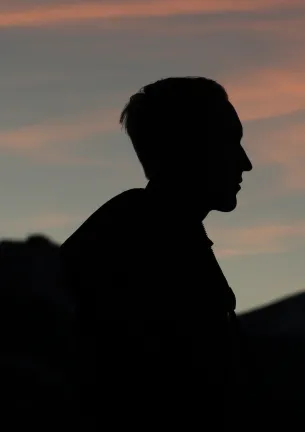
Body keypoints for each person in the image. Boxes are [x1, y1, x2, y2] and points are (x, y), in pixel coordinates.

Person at [59, 77, 253, 422]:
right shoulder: (144, 248)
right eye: (230, 143)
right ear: (191, 149)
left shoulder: (156, 235)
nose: (245, 162)